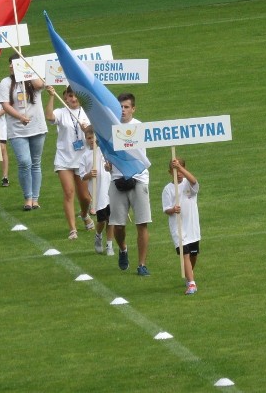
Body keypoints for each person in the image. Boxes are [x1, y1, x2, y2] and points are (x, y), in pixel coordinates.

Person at [107, 92, 152, 276]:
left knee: (142, 224)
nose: (123, 111)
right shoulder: (110, 127)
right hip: (117, 179)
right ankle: (123, 248)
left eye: (126, 107)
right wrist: (107, 161)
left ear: (133, 108)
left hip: (138, 178)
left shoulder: (139, 127)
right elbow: (106, 149)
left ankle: (141, 264)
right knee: (118, 225)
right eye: (120, 107)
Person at [45, 85, 95, 240]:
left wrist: (86, 129)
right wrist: (51, 96)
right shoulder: (61, 112)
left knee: (86, 197)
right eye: (70, 96)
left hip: (82, 160)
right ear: (65, 97)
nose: (73, 99)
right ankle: (73, 229)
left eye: (76, 96)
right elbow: (49, 117)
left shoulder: (87, 112)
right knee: (68, 193)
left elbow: (95, 134)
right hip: (64, 159)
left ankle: (84, 214)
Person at [0, 53, 47, 211]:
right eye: (10, 64)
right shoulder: (6, 82)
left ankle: (35, 198)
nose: (10, 66)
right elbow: (5, 105)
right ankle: (27, 197)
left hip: (37, 127)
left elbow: (40, 85)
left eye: (14, 64)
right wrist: (20, 116)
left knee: (35, 162)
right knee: (25, 162)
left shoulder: (32, 79)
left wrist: (27, 70)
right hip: (18, 129)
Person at [161, 157, 201, 295]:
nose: (178, 173)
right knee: (185, 254)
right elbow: (166, 209)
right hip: (178, 227)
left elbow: (194, 182)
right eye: (174, 170)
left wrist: (180, 167)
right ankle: (191, 283)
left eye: (180, 169)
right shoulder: (167, 189)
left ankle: (190, 275)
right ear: (169, 172)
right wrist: (173, 210)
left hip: (192, 227)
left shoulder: (188, 184)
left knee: (193, 255)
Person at [79, 127, 113, 256]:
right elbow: (82, 176)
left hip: (109, 189)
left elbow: (112, 167)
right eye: (88, 138)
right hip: (98, 192)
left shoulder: (104, 151)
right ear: (86, 140)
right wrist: (89, 174)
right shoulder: (85, 156)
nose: (91, 140)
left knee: (112, 219)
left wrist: (109, 167)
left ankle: (109, 245)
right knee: (102, 220)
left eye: (93, 137)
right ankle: (98, 236)